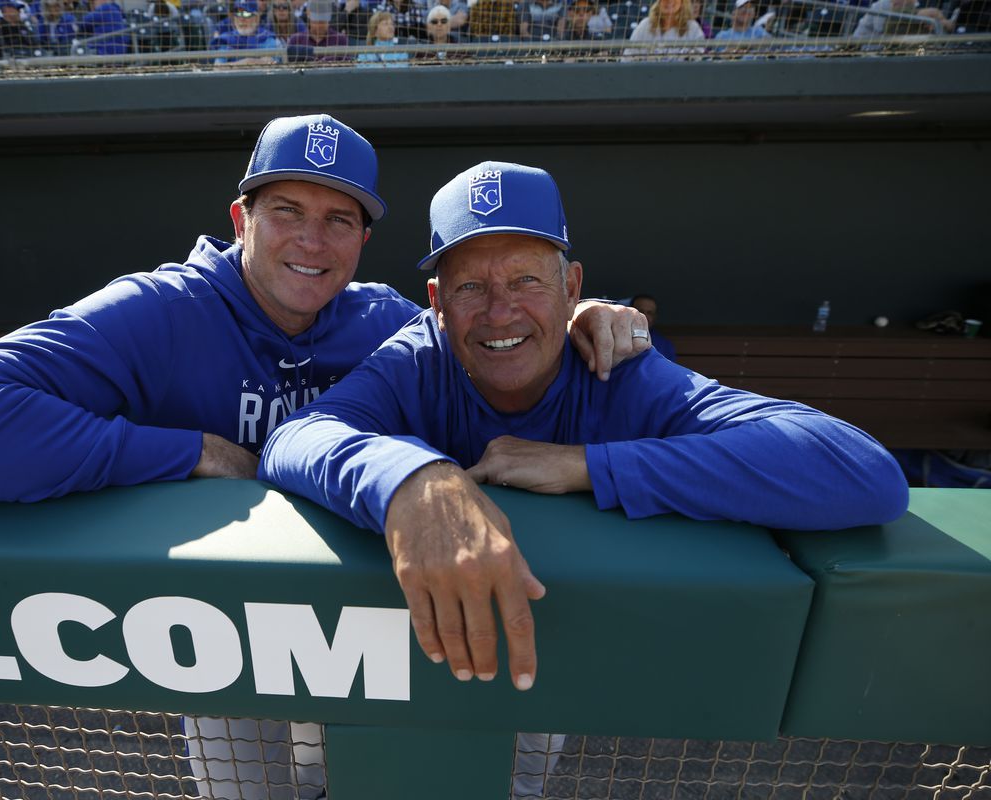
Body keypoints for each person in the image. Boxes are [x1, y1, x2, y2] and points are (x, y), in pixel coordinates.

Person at [0, 116, 648, 800]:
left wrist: (583, 315)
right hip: (224, 624)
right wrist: (178, 450)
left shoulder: (383, 318)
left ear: (361, 239)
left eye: (338, 219)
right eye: (287, 211)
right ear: (240, 218)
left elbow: (496, 323)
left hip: (368, 608)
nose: (312, 242)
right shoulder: (160, 310)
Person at [259, 159, 909, 702]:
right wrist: (416, 481)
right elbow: (295, 439)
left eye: (526, 280)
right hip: (405, 639)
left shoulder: (616, 367)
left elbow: (861, 472)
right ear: (436, 303)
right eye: (470, 288)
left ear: (573, 287)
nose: (500, 310)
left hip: (563, 647)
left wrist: (588, 465)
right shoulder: (417, 358)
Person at [624, 0, 705, 55]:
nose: (669, 1)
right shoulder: (645, 24)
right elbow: (628, 58)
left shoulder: (693, 28)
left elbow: (697, 65)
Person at [213, 0, 280, 63]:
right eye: (238, 14)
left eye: (246, 14)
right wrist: (247, 62)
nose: (241, 19)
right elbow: (218, 67)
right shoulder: (226, 39)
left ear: (256, 18)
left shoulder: (266, 38)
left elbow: (269, 63)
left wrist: (244, 62)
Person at [628, 293, 675, 361]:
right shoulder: (619, 337)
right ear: (630, 313)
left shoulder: (665, 345)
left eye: (649, 313)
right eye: (641, 311)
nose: (645, 316)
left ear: (655, 317)